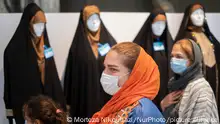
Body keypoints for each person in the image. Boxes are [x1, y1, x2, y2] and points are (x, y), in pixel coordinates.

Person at [4, 3, 65, 124]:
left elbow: (52, 76)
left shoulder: (45, 47)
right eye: (37, 24)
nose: (41, 28)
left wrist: (59, 105)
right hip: (27, 109)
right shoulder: (13, 50)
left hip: (46, 110)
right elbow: (10, 83)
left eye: (43, 25)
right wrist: (10, 109)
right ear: (29, 24)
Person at [89, 42, 165, 124]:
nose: (105, 73)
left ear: (134, 75)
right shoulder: (120, 102)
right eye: (105, 67)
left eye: (113, 69)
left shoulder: (142, 113)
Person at [64, 5, 117, 120]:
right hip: (86, 99)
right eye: (90, 19)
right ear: (83, 21)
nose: (94, 22)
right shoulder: (77, 48)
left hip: (106, 98)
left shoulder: (109, 42)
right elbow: (71, 76)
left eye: (97, 18)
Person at [175, 3, 220, 113]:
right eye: (195, 14)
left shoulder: (209, 37)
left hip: (214, 85)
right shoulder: (185, 39)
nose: (200, 16)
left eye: (201, 13)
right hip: (196, 87)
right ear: (188, 17)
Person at [161, 39, 219, 123]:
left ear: (192, 61)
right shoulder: (176, 85)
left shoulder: (202, 89)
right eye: (172, 56)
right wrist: (163, 105)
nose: (173, 60)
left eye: (179, 57)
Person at [133, 8, 173, 109]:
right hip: (146, 96)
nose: (160, 26)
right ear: (150, 23)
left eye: (163, 23)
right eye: (157, 22)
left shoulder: (169, 44)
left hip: (166, 94)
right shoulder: (140, 45)